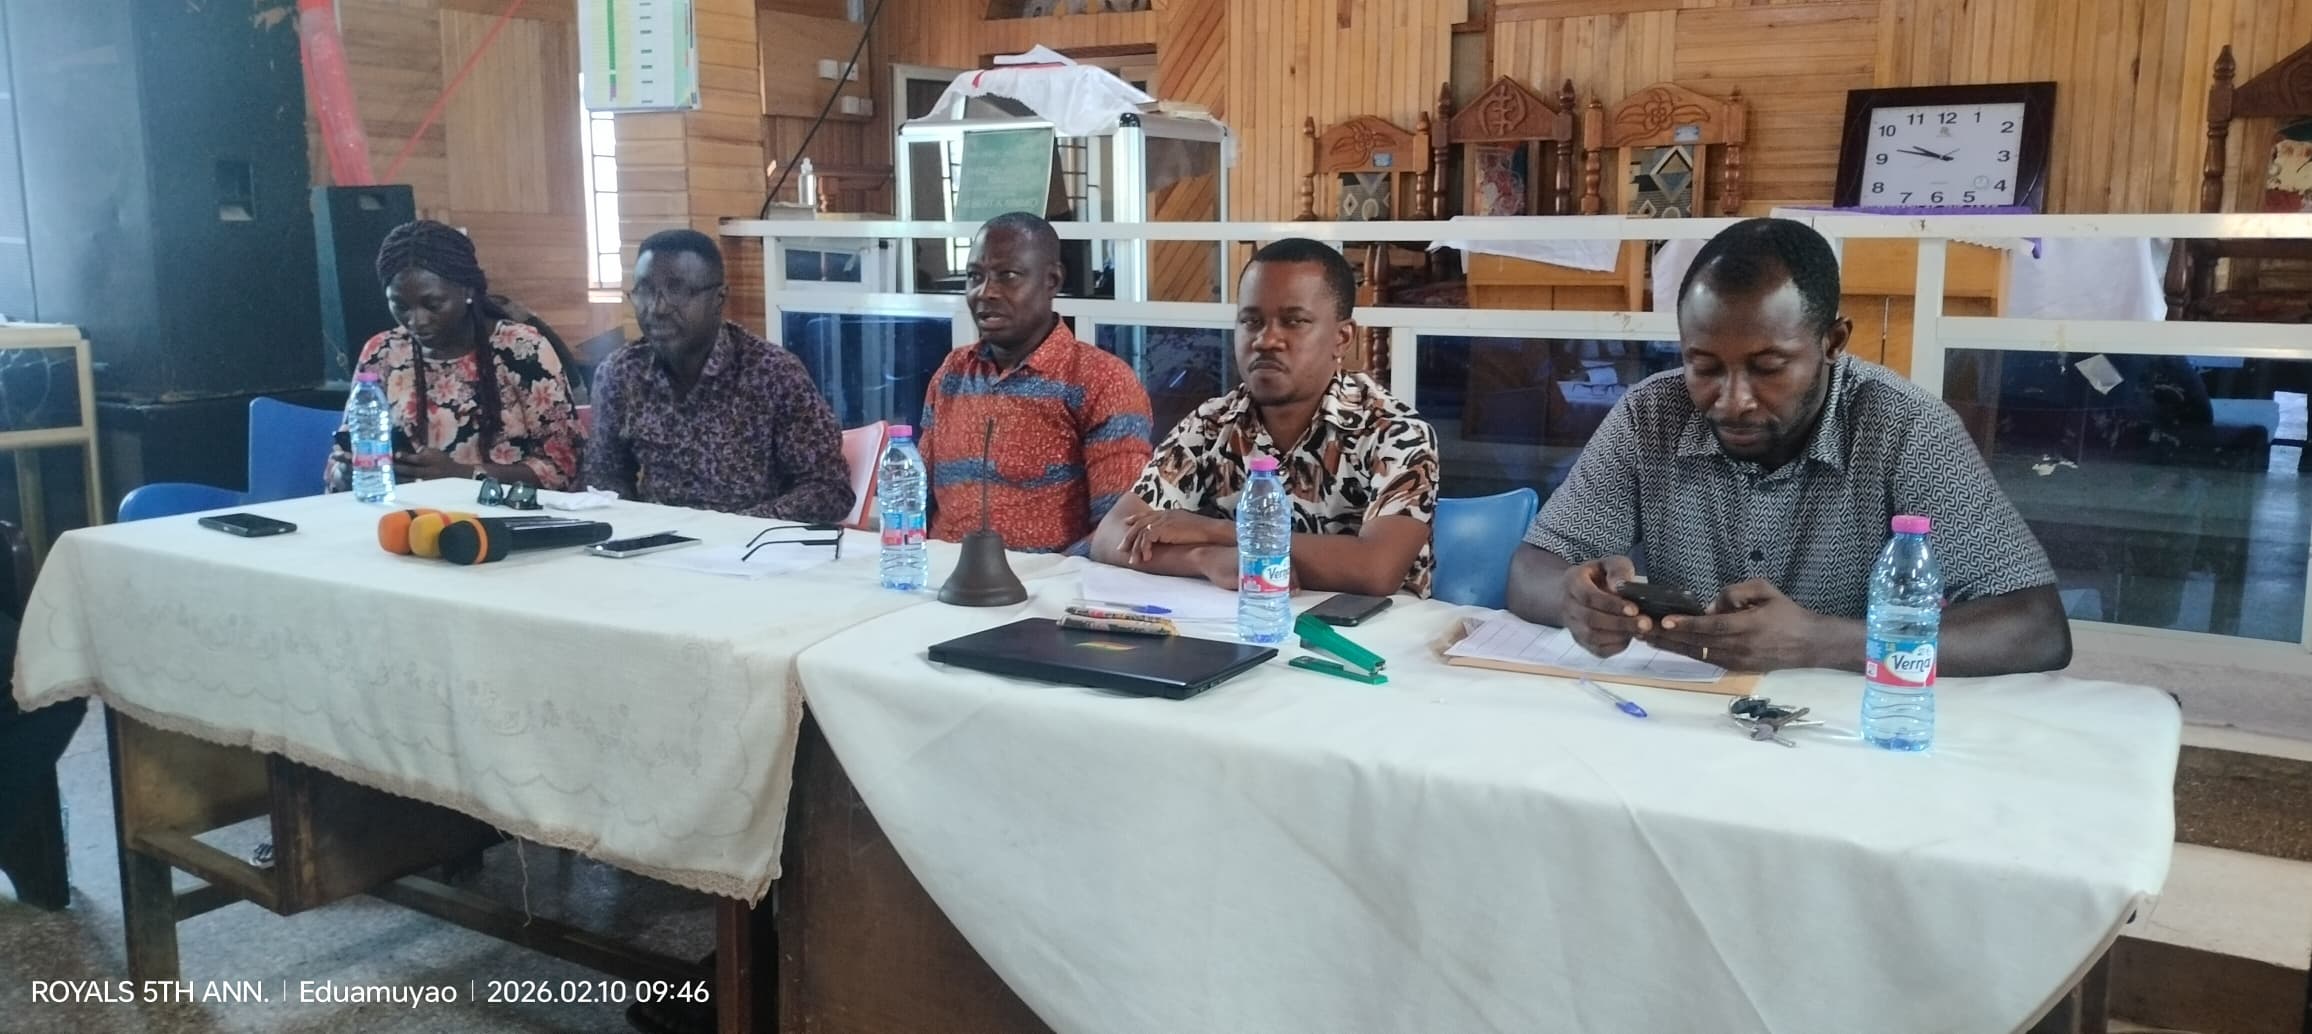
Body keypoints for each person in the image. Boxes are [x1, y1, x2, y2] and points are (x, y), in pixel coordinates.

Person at [1505, 217, 2070, 676]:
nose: (1733, 401)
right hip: (1680, 716)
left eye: (1768, 367)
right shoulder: (1650, 415)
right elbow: (1530, 570)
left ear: (1833, 342)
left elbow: (2036, 627)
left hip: (1845, 732)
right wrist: (1577, 600)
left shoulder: (1904, 427)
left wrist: (1822, 642)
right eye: (1704, 366)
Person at [1091, 238, 1440, 597]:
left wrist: (1218, 532)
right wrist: (1205, 558)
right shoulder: (1212, 425)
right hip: (1240, 622)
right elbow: (1109, 537)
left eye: (1294, 321)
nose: (1266, 340)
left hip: (1374, 629)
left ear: (1342, 337)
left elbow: (1375, 569)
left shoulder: (1395, 432)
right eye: (1251, 321)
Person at [918, 212, 1153, 554]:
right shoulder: (953, 373)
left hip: (1048, 581)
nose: (985, 292)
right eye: (975, 276)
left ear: (1052, 281)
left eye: (1007, 276)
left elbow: (1118, 530)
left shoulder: (1102, 381)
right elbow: (914, 497)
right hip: (943, 574)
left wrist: (1040, 574)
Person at [584, 229, 854, 522]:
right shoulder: (622, 373)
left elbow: (829, 490)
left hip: (752, 541)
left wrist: (731, 527)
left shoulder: (772, 374)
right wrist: (636, 525)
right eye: (645, 291)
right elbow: (604, 477)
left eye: (678, 291)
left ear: (719, 298)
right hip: (657, 541)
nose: (657, 308)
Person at [324, 220, 583, 490]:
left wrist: (462, 475)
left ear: (467, 290)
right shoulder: (382, 352)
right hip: (403, 510)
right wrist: (346, 473)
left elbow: (563, 467)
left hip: (499, 511)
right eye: (400, 306)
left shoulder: (521, 348)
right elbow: (341, 454)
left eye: (433, 304)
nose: (416, 321)